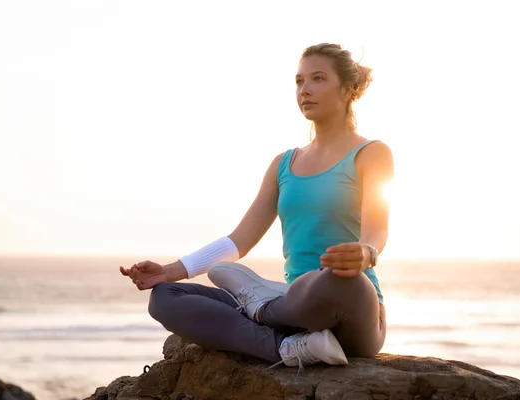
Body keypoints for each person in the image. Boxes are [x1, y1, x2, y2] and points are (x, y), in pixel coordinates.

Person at [119, 43, 394, 371]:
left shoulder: (371, 153)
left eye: (317, 78)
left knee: (335, 279)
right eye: (299, 81)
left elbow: (377, 228)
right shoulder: (284, 164)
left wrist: (365, 252)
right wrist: (169, 271)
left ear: (348, 89)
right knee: (165, 298)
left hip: (351, 309)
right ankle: (286, 348)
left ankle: (262, 309)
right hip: (295, 311)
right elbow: (239, 241)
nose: (305, 90)